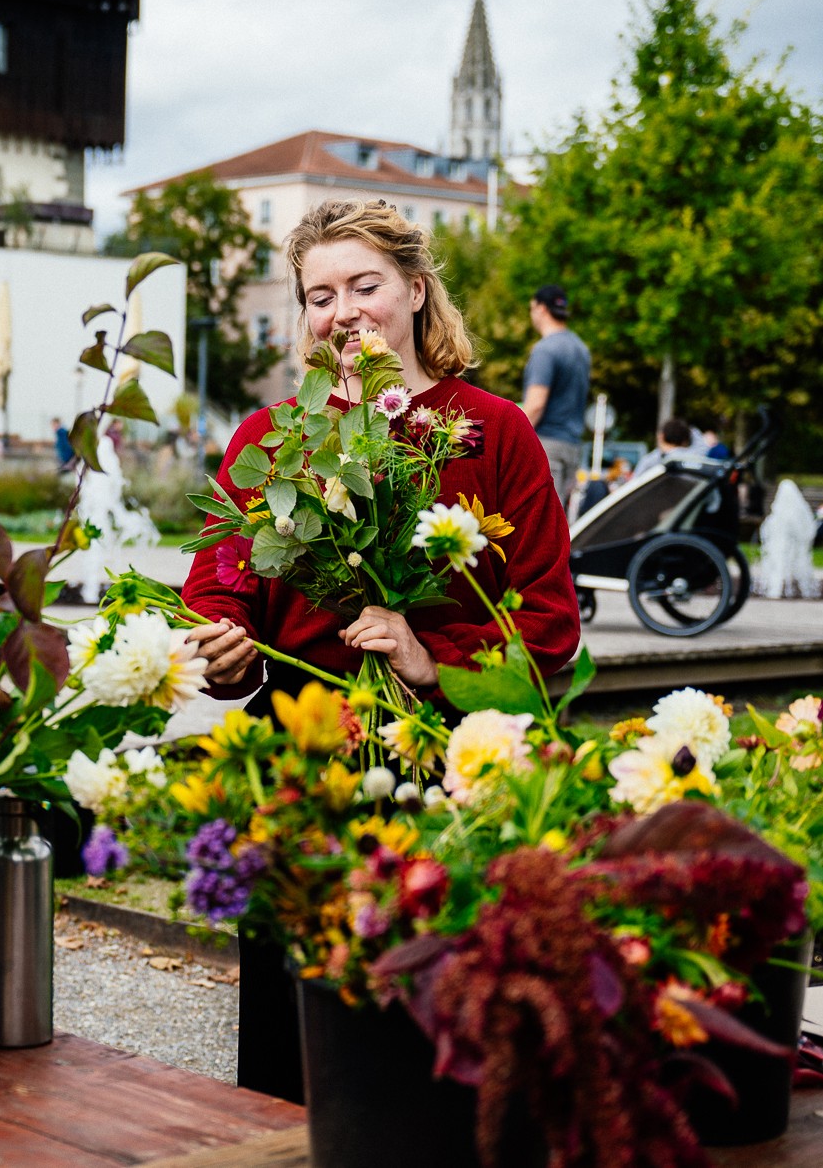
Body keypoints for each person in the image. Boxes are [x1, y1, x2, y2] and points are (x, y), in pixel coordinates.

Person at [181, 199, 580, 1104]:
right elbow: (220, 579)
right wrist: (224, 640)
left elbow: (550, 623)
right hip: (298, 757)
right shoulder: (271, 437)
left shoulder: (491, 430)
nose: (343, 311)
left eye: (365, 285)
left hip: (446, 764)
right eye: (319, 296)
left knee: (428, 1027)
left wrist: (430, 654)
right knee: (292, 1030)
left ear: (416, 290)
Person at [520, 283, 590, 516]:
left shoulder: (546, 349)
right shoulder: (580, 348)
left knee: (541, 519)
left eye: (531, 309)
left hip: (547, 446)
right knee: (559, 516)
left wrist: (514, 439)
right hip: (572, 446)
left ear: (541, 309)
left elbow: (536, 404)